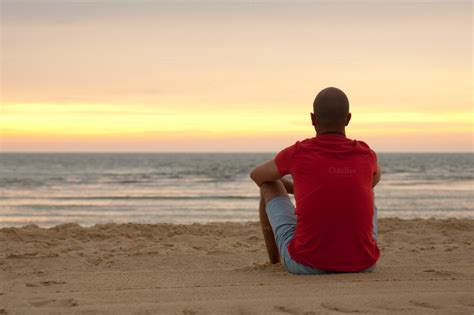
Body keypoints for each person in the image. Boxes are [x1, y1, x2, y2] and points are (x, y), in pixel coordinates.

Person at [250, 87, 381, 275]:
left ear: (313, 119)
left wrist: (293, 187)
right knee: (368, 188)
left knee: (269, 184)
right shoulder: (367, 154)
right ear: (348, 118)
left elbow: (258, 175)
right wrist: (308, 189)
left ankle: (274, 262)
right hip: (365, 264)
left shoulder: (299, 152)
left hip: (306, 264)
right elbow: (373, 181)